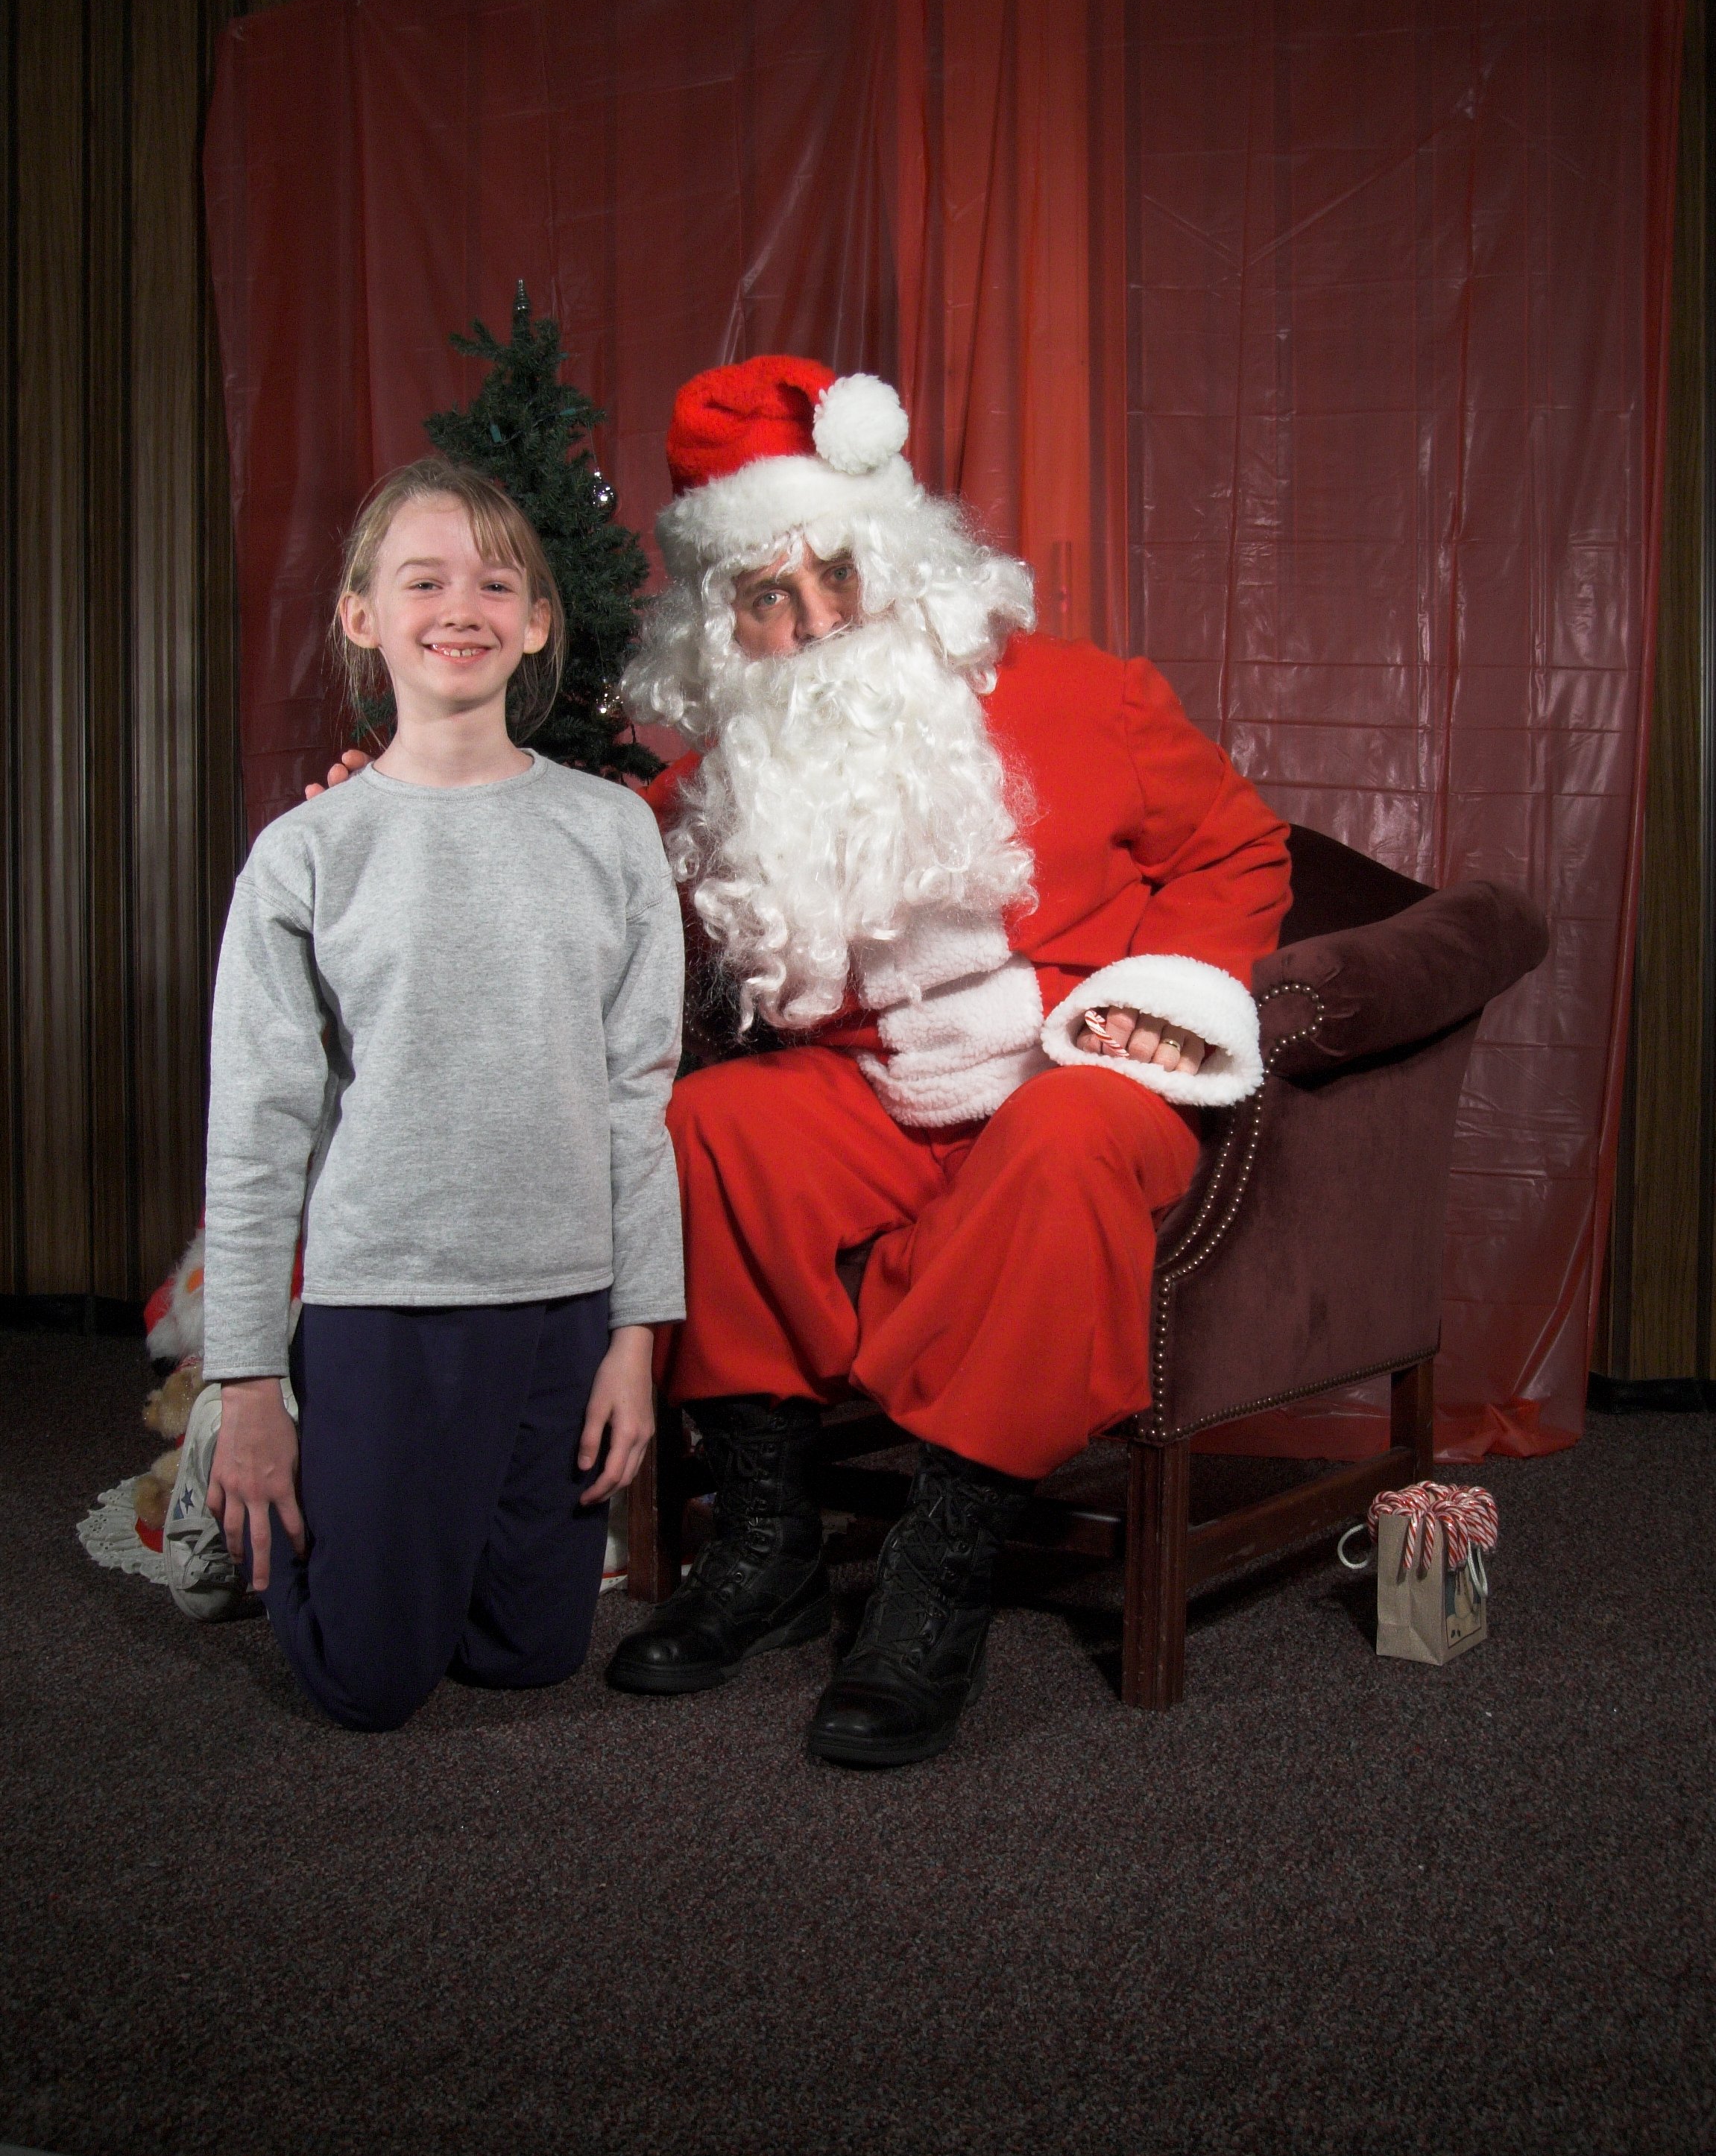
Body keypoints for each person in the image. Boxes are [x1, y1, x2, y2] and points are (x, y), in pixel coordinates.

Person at [318, 359, 1291, 1768]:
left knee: (1064, 1138)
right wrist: (395, 812)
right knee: (712, 1127)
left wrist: (1170, 995)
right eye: (767, 597)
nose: (816, 621)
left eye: (838, 573)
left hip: (1071, 1078)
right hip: (875, 1097)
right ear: (722, 628)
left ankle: (939, 1568)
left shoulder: (1092, 699)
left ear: (901, 557)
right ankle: (766, 1544)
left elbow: (1237, 848)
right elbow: (552, 849)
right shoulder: (721, 777)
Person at [189, 455, 684, 1732]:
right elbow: (257, 1129)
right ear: (362, 616)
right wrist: (245, 1386)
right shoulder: (307, 851)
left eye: (495, 582)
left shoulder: (611, 832)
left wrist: (636, 1339)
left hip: (560, 1303)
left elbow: (637, 1096)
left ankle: (412, 1517)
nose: (460, 606)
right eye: (423, 580)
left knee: (528, 1656)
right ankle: (254, 1469)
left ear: (536, 624)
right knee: (367, 1681)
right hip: (384, 1298)